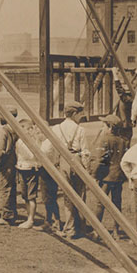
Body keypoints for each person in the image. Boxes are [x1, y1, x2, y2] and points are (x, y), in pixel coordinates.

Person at [49, 101, 90, 239]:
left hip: (63, 161)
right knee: (80, 195)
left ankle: (70, 229)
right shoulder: (80, 130)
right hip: (76, 159)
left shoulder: (56, 128)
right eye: (80, 114)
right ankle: (81, 228)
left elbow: (53, 149)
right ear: (74, 114)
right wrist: (86, 169)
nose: (81, 117)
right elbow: (85, 151)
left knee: (67, 196)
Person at [91, 114, 129, 240]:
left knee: (100, 204)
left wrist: (94, 175)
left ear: (110, 127)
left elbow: (100, 159)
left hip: (106, 177)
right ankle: (116, 231)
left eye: (104, 124)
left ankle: (97, 231)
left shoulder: (105, 139)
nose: (102, 126)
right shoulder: (123, 141)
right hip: (118, 177)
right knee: (116, 204)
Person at [0, 107, 19, 226]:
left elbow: (0, 150)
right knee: (11, 187)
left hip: (5, 160)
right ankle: (12, 212)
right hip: (13, 160)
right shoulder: (16, 129)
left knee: (3, 187)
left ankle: (6, 215)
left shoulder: (3, 130)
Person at [15, 119, 41, 229]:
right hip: (22, 168)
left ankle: (31, 219)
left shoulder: (32, 141)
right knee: (25, 195)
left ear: (30, 129)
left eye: (23, 128)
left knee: (31, 196)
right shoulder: (20, 140)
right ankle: (28, 217)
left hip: (31, 169)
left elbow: (31, 155)